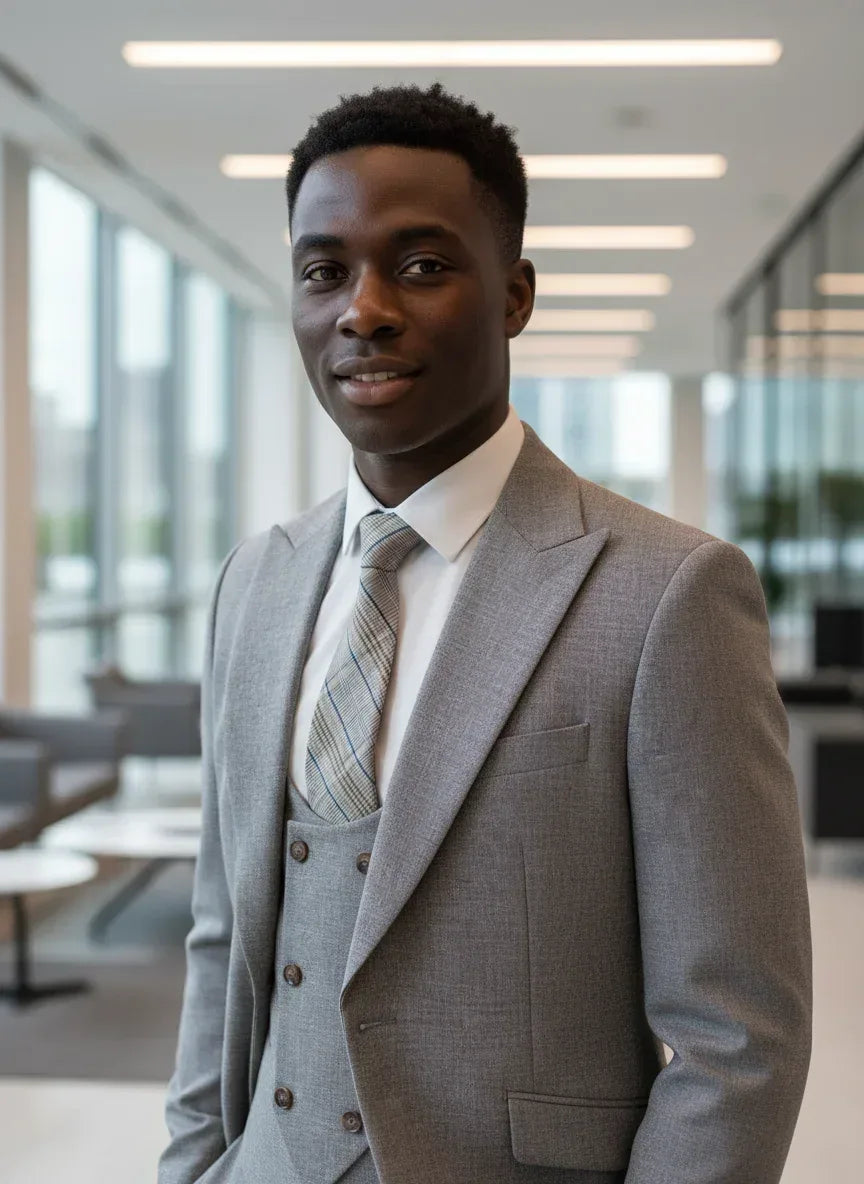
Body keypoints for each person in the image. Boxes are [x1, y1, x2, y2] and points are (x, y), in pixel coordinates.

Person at [159, 82, 812, 1184]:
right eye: (324, 270)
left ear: (514, 295)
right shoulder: (256, 582)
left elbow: (737, 1035)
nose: (362, 308)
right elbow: (222, 938)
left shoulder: (669, 592)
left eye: (420, 265)